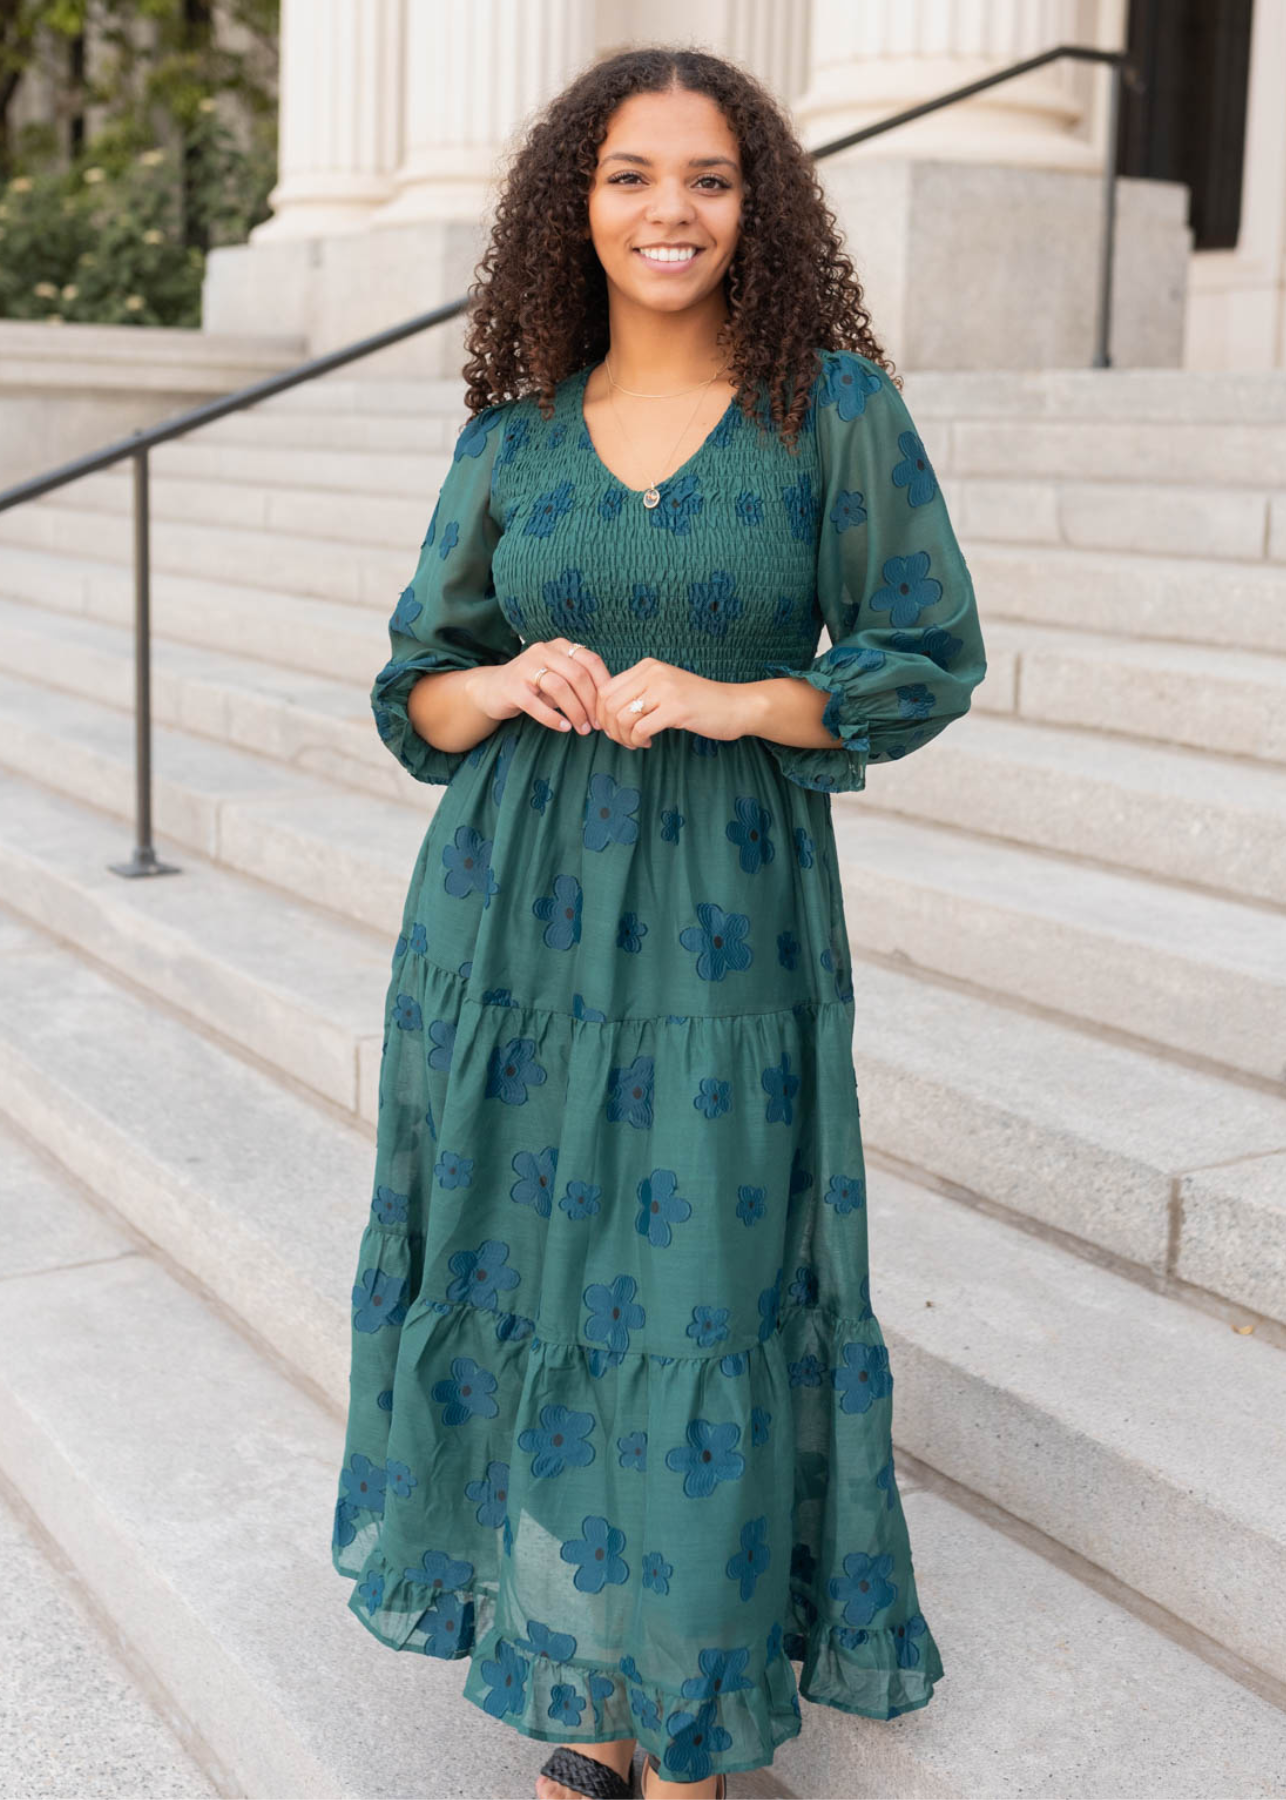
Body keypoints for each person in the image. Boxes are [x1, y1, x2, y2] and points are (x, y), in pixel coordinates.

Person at [331, 42, 986, 1800]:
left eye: (705, 176)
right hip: (508, 928)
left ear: (754, 206)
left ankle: (692, 1728)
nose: (667, 209)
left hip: (723, 930)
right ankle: (591, 1701)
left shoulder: (831, 411)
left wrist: (744, 699)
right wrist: (499, 678)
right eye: (630, 175)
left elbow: (924, 658)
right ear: (576, 203)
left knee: (694, 1288)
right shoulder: (511, 434)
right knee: (534, 1277)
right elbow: (413, 686)